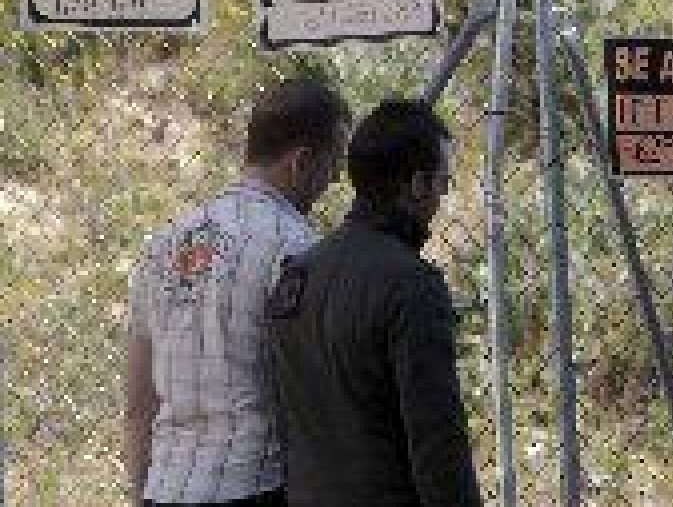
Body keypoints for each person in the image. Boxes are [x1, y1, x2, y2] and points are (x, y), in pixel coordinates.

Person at [124, 78, 352, 506]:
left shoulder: (162, 247)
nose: (335, 179)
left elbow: (139, 404)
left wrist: (141, 495)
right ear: (301, 162)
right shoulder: (296, 248)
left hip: (166, 488)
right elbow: (317, 398)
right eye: (333, 164)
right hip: (255, 484)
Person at [266, 98, 482, 506]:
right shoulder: (411, 285)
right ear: (417, 186)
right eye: (441, 182)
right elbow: (437, 442)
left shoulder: (297, 275)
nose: (441, 198)